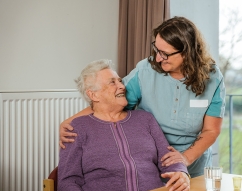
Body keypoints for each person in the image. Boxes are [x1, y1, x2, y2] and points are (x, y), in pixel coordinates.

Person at [59, 16, 226, 178]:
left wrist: (185, 158)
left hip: (194, 164)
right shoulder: (146, 70)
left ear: (187, 52)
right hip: (151, 161)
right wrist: (70, 122)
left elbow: (211, 130)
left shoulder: (212, 77)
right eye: (157, 50)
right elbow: (111, 100)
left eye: (165, 53)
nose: (158, 58)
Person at [57, 59, 190, 191]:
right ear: (93, 95)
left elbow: (169, 159)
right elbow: (66, 183)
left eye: (120, 81)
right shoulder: (77, 128)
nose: (122, 86)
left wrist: (181, 173)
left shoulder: (145, 119)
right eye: (112, 82)